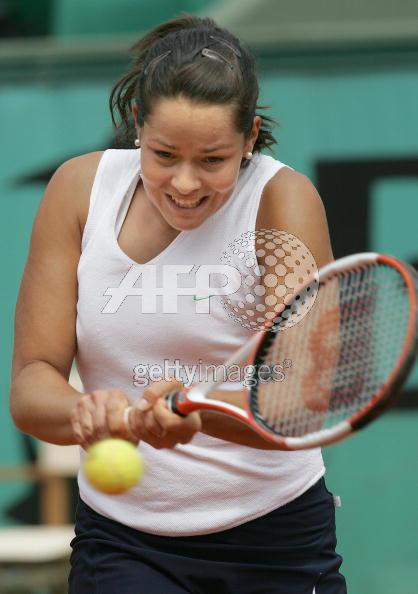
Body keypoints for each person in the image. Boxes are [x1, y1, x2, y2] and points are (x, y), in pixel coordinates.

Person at [10, 14, 347, 594]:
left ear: (249, 138)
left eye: (212, 160)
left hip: (276, 540)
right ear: (137, 123)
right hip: (123, 542)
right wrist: (82, 413)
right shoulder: (78, 191)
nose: (185, 184)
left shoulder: (282, 202)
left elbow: (301, 398)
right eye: (164, 154)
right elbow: (32, 379)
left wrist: (193, 409)